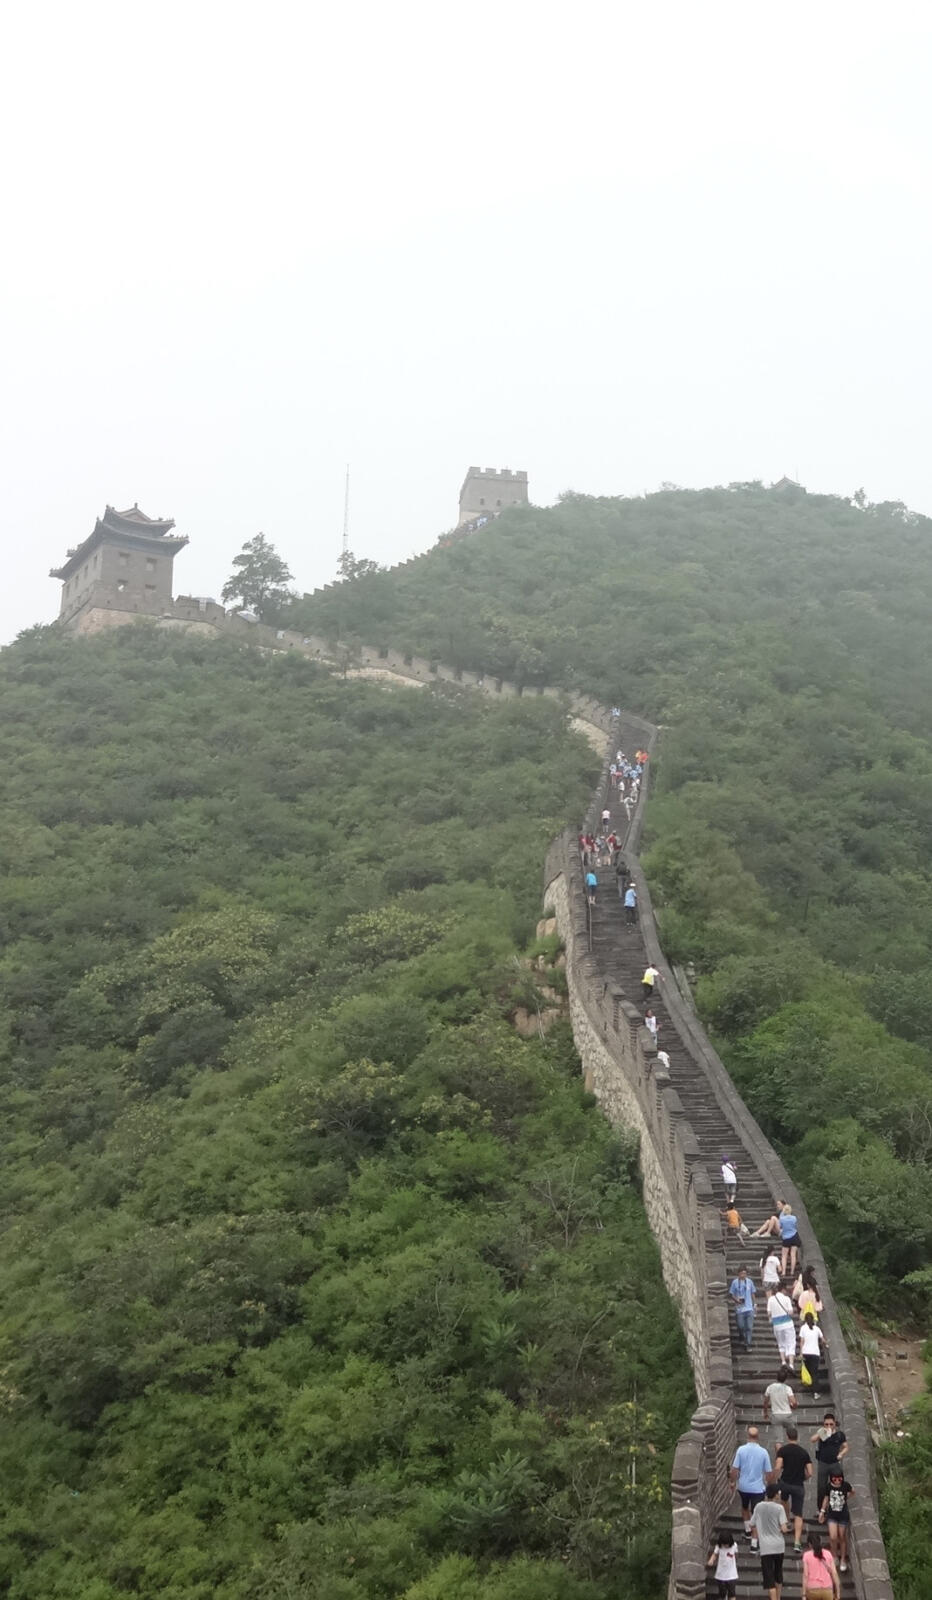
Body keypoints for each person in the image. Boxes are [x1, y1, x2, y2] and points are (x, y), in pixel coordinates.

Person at [729, 1424, 772, 1543]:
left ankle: (748, 1530)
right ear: (758, 1437)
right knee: (756, 1514)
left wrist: (732, 1482)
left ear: (748, 1436)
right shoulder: (764, 1452)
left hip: (743, 1487)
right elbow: (768, 1473)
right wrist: (769, 1486)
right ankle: (754, 1543)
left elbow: (734, 1469)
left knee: (744, 1508)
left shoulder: (741, 1450)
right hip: (758, 1489)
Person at [774, 1424, 813, 1552]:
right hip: (798, 1485)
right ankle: (797, 1542)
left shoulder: (783, 1450)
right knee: (798, 1513)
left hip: (785, 1482)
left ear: (787, 1437)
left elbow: (778, 1467)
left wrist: (774, 1478)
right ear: (797, 1437)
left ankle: (786, 1520)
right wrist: (804, 1478)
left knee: (784, 1501)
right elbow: (810, 1472)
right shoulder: (804, 1453)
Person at [748, 1483, 789, 1599]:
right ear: (776, 1495)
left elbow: (751, 1524)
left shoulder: (759, 1507)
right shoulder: (779, 1508)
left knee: (769, 1579)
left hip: (766, 1547)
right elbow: (784, 1528)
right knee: (778, 1574)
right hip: (779, 1546)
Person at [820, 1471, 854, 1573]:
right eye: (835, 1479)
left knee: (842, 1537)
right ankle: (834, 1556)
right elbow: (826, 1499)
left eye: (839, 1479)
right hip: (832, 1515)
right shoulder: (828, 1487)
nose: (837, 1481)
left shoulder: (845, 1485)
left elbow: (853, 1491)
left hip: (842, 1515)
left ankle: (843, 1559)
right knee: (833, 1536)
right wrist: (822, 1511)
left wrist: (846, 1498)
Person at [811, 1413, 848, 1506]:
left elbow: (846, 1447)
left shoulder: (840, 1435)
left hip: (834, 1463)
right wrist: (823, 1433)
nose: (829, 1426)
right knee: (821, 1487)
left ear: (834, 1423)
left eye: (831, 1424)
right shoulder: (822, 1432)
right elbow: (812, 1439)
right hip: (823, 1463)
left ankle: (837, 1506)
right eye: (826, 1424)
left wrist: (841, 1454)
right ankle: (820, 1508)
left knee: (837, 1485)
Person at [802, 1533, 840, 1600]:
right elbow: (834, 1573)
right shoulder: (828, 1553)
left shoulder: (806, 1555)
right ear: (820, 1542)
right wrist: (838, 1593)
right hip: (827, 1589)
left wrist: (804, 1594)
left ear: (809, 1544)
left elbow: (805, 1575)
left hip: (813, 1589)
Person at [767, 1286, 797, 1368]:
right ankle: (791, 1364)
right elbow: (791, 1312)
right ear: (782, 1290)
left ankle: (783, 1362)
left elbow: (769, 1313)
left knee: (781, 1343)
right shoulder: (786, 1298)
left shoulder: (770, 1299)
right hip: (788, 1324)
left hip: (777, 1325)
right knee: (791, 1343)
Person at [729, 1266, 757, 1350]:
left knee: (749, 1327)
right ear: (738, 1274)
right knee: (740, 1326)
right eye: (741, 1273)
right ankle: (741, 1335)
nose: (743, 1275)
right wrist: (736, 1300)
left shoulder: (749, 1282)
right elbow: (731, 1294)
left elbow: (752, 1293)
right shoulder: (734, 1282)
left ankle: (748, 1344)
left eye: (745, 1273)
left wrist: (754, 1303)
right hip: (739, 1308)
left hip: (749, 1308)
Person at [799, 1312, 827, 1397]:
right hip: (815, 1353)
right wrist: (826, 1345)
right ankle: (815, 1392)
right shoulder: (817, 1329)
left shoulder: (803, 1328)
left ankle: (810, 1386)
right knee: (814, 1373)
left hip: (806, 1353)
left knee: (809, 1371)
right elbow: (823, 1340)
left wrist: (801, 1353)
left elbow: (802, 1342)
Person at [707, 1529, 739, 1599]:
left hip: (731, 1575)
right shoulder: (719, 1547)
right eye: (724, 1544)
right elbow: (715, 1554)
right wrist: (711, 1560)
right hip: (721, 1574)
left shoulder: (734, 1546)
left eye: (727, 1544)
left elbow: (736, 1555)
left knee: (732, 1594)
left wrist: (735, 1560)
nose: (725, 1546)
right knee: (722, 1593)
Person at [778, 1205, 802, 1278]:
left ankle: (784, 1271)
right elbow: (795, 1225)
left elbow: (780, 1227)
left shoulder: (782, 1219)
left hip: (786, 1238)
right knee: (793, 1255)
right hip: (794, 1236)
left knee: (784, 1255)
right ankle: (792, 1271)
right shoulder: (794, 1218)